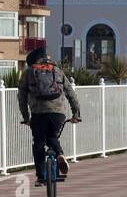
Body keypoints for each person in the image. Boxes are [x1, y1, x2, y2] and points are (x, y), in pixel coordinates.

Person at [18, 46, 82, 186]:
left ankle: (41, 177)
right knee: (52, 136)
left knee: (39, 143)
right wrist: (76, 114)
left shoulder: (29, 72)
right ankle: (59, 154)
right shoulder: (57, 71)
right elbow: (71, 94)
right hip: (58, 113)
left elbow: (21, 97)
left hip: (38, 114)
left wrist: (26, 117)